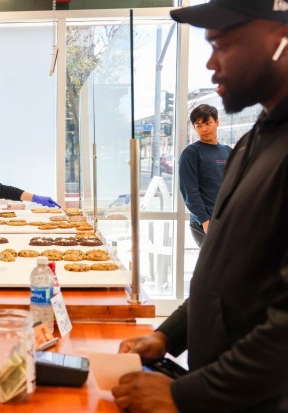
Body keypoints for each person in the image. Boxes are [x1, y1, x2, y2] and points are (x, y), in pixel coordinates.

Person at [112, 1, 288, 412]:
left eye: (222, 45)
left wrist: (185, 394)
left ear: (281, 38)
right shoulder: (254, 141)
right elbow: (226, 275)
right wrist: (169, 336)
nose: (210, 63)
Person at [178, 104, 232, 247]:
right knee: (216, 267)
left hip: (228, 219)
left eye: (208, 123)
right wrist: (205, 221)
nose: (204, 129)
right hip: (204, 222)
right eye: (199, 125)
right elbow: (189, 190)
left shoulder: (228, 151)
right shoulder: (191, 153)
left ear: (217, 122)